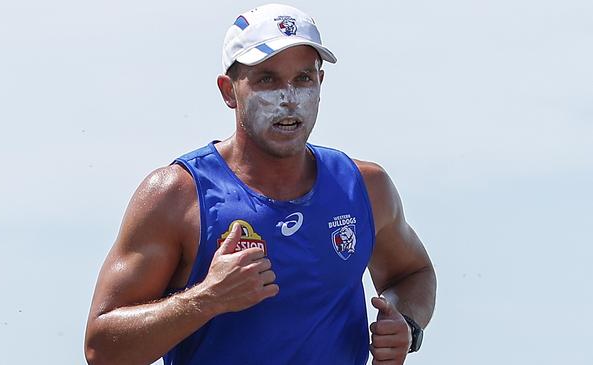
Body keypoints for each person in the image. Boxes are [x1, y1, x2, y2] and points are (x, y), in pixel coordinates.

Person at [84, 4, 436, 365]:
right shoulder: (177, 196)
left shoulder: (364, 187)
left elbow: (413, 273)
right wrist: (206, 299)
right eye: (267, 79)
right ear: (228, 91)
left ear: (320, 83)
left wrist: (404, 322)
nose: (288, 98)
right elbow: (101, 349)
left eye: (303, 78)